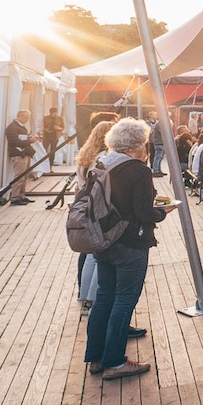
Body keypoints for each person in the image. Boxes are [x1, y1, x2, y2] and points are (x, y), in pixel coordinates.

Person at [84, 118, 173, 380]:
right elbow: (144, 212)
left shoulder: (102, 163)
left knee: (104, 297)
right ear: (138, 143)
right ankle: (115, 361)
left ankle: (96, 357)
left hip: (103, 239)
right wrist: (163, 212)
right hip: (130, 242)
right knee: (124, 300)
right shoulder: (138, 170)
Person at [74, 120, 115, 307]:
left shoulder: (86, 155)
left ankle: (85, 295)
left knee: (89, 255)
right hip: (97, 208)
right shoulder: (102, 158)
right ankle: (91, 298)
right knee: (95, 256)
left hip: (84, 206)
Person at [5, 109, 39, 204]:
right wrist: (29, 141)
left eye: (28, 118)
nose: (27, 119)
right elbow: (14, 142)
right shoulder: (12, 127)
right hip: (18, 154)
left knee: (24, 177)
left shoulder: (21, 127)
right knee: (19, 177)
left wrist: (29, 137)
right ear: (19, 116)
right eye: (25, 117)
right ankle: (15, 197)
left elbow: (21, 139)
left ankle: (21, 195)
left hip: (24, 154)